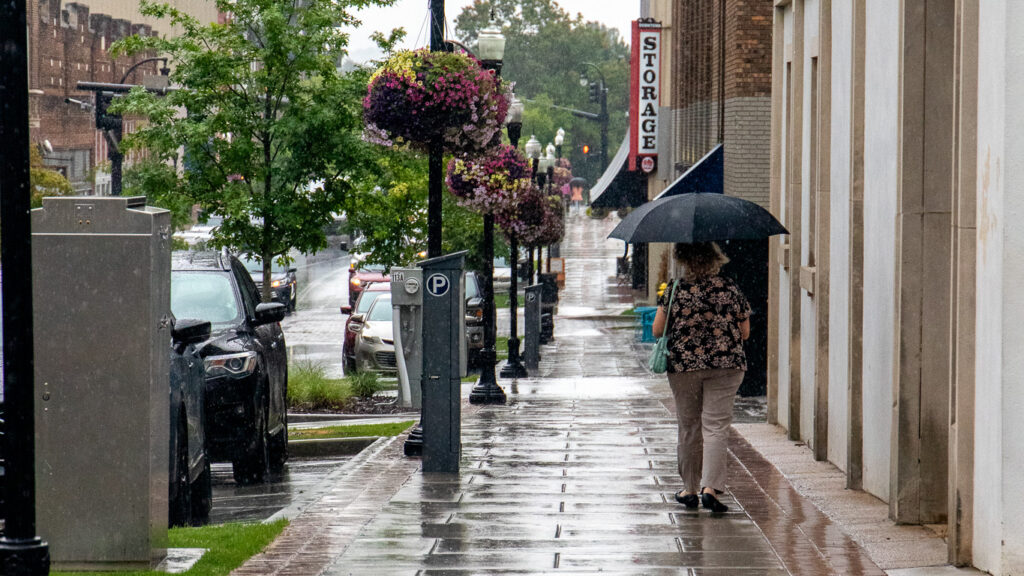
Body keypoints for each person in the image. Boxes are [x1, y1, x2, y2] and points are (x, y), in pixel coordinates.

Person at [652, 242, 750, 513]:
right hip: (726, 365)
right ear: (716, 260)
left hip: (685, 366)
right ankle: (711, 488)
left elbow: (658, 330)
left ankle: (690, 489)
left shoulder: (675, 289)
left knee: (689, 427)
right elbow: (745, 332)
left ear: (683, 260)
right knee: (716, 426)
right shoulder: (729, 288)